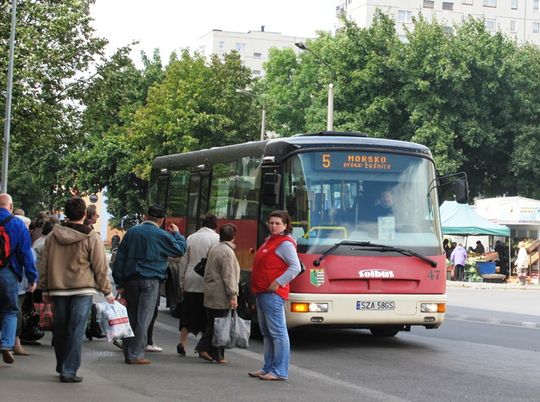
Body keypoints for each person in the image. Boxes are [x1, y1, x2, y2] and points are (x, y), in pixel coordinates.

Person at [38, 197, 114, 382]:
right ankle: (69, 370)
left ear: (66, 213)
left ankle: (62, 365)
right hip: (82, 288)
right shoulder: (91, 236)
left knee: (60, 329)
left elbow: (44, 264)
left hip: (58, 289)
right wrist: (107, 291)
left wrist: (44, 289)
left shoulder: (53, 236)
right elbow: (100, 267)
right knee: (76, 329)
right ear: (84, 214)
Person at [112, 204, 186, 365]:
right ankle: (136, 354)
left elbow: (120, 259)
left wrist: (120, 282)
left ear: (146, 216)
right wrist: (177, 234)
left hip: (131, 280)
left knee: (131, 317)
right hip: (151, 280)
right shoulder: (161, 235)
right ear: (161, 220)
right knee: (143, 318)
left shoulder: (132, 232)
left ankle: (128, 351)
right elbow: (179, 249)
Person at [249, 210, 301, 381]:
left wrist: (278, 282)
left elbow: (295, 267)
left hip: (272, 293)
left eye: (277, 223)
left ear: (285, 226)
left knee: (277, 332)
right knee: (267, 332)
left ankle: (279, 370)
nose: (273, 226)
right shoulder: (270, 240)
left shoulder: (285, 244)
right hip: (263, 292)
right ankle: (268, 367)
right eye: (271, 222)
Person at [0, 194, 38, 365]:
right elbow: (26, 253)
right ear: (11, 207)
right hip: (9, 273)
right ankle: (6, 345)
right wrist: (32, 277)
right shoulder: (17, 224)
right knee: (10, 311)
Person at [195, 223, 240, 364]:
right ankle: (208, 350)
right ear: (233, 237)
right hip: (221, 293)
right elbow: (229, 275)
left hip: (211, 290)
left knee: (214, 322)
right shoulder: (227, 252)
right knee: (219, 324)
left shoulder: (215, 248)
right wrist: (233, 295)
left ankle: (214, 353)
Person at [177, 213, 219, 356]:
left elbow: (183, 261)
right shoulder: (216, 239)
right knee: (205, 315)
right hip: (206, 280)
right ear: (215, 225)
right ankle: (203, 345)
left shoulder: (191, 238)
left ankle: (182, 342)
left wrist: (182, 281)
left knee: (187, 312)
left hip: (190, 277)